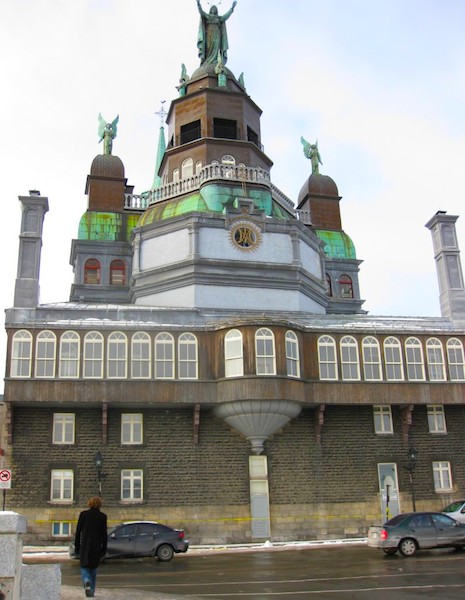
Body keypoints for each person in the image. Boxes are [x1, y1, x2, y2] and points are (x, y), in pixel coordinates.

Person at [74, 496, 108, 598]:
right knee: (93, 567)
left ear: (89, 504)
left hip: (85, 545)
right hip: (96, 545)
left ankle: (86, 581)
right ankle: (91, 590)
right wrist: (104, 549)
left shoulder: (83, 515)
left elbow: (78, 532)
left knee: (84, 566)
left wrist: (77, 546)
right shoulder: (103, 516)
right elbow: (104, 535)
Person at [196, 1, 237, 66]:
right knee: (208, 47)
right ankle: (207, 60)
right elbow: (201, 12)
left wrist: (232, 8)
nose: (214, 10)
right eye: (213, 9)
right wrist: (198, 4)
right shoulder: (207, 16)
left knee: (216, 47)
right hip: (209, 34)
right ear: (210, 10)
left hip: (217, 34)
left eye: (215, 9)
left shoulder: (219, 18)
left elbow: (226, 16)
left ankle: (216, 60)